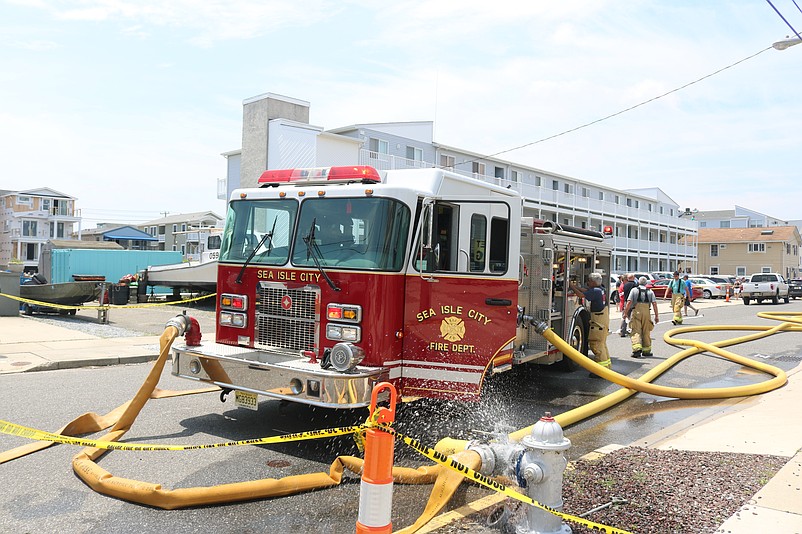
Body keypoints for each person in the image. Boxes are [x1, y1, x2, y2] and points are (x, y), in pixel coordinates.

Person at [568, 272, 612, 376]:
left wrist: (570, 287)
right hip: (603, 318)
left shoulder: (595, 291)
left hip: (598, 319)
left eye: (589, 281)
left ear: (593, 282)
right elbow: (587, 291)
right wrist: (574, 286)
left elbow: (581, 295)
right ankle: (606, 368)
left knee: (596, 344)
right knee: (602, 343)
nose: (587, 282)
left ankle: (600, 371)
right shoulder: (600, 289)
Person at [623, 276, 659, 358]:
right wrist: (656, 316)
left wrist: (625, 313)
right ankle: (646, 351)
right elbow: (654, 304)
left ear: (638, 282)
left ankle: (637, 350)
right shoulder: (650, 292)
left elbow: (629, 302)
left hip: (636, 311)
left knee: (636, 330)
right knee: (646, 331)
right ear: (646, 283)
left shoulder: (634, 290)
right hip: (647, 312)